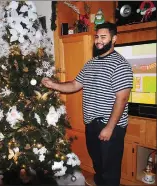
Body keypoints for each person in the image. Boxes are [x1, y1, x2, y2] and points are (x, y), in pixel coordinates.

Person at [42, 22, 133, 186]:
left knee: (110, 169)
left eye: (103, 37)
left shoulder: (120, 64)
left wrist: (110, 128)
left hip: (110, 125)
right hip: (91, 123)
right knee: (98, 164)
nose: (98, 40)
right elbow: (75, 85)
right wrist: (53, 84)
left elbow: (122, 99)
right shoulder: (91, 63)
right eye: (97, 36)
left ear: (114, 39)